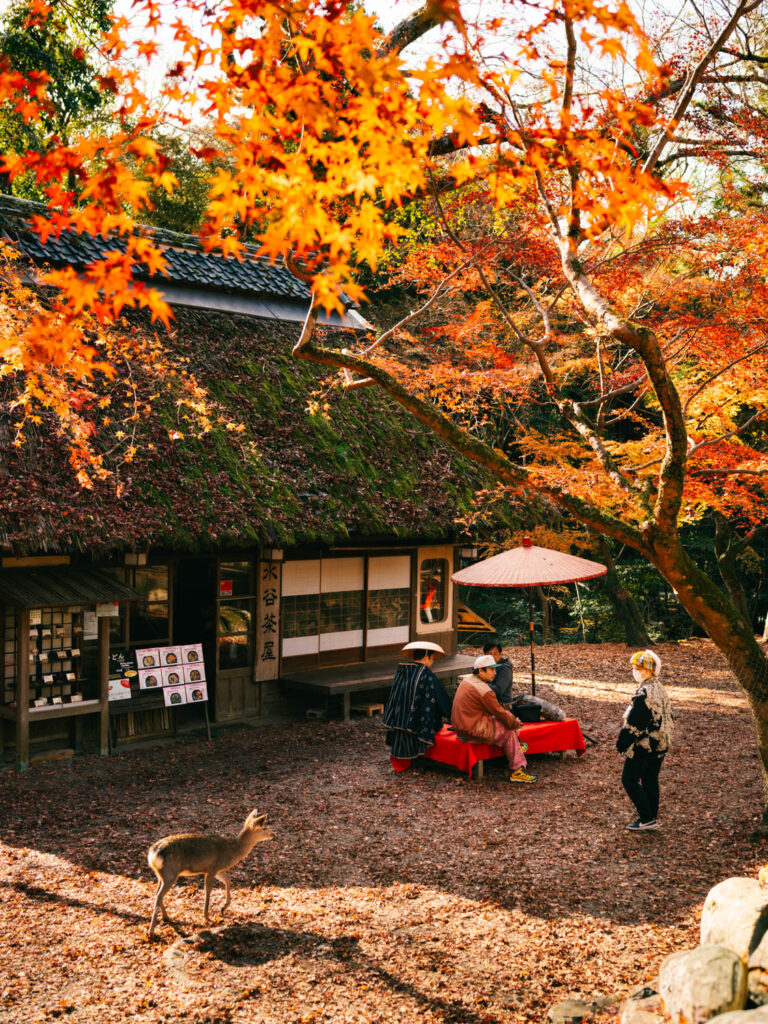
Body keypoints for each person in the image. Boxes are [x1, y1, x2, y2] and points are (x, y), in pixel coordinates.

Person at [451, 654, 536, 783]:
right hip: (473, 731)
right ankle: (517, 769)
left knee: (508, 718)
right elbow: (499, 712)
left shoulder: (466, 681)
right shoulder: (484, 690)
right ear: (481, 670)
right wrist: (515, 723)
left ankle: (517, 745)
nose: (495, 673)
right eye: (492, 669)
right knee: (508, 729)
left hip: (461, 728)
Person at [617, 649, 673, 832]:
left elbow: (635, 722)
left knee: (629, 779)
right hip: (661, 743)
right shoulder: (659, 688)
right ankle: (651, 817)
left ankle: (646, 817)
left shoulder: (645, 693)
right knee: (650, 779)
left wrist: (622, 742)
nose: (635, 671)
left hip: (645, 745)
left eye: (639, 668)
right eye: (634, 667)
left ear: (650, 670)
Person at [383, 642, 453, 761]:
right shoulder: (426, 673)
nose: (432, 662)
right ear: (426, 656)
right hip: (416, 719)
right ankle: (416, 757)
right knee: (427, 713)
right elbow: (438, 695)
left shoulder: (402, 670)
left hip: (398, 716)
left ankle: (399, 755)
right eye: (432, 658)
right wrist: (450, 714)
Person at [483, 639, 514, 706]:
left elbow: (498, 691)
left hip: (502, 704)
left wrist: (481, 684)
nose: (492, 657)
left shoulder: (505, 668)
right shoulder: (484, 666)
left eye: (495, 654)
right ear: (485, 655)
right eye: (489, 654)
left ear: (500, 655)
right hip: (489, 701)